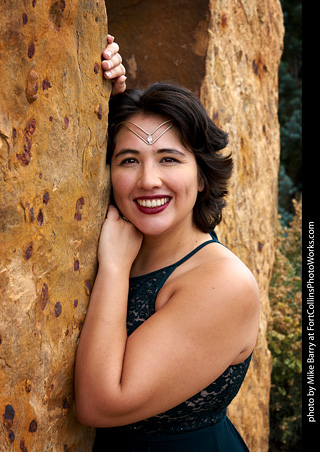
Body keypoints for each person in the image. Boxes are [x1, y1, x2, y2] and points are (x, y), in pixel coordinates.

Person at [75, 45, 260, 451]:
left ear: (202, 177)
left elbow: (99, 404)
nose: (148, 180)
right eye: (128, 161)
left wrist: (113, 269)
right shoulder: (112, 237)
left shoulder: (223, 284)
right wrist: (103, 92)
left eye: (169, 159)